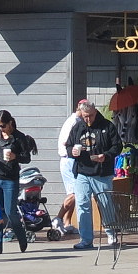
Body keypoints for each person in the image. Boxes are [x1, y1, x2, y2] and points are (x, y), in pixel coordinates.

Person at [68, 99, 120, 251]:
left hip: (102, 173)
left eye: (90, 115)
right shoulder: (77, 127)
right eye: (85, 116)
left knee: (105, 204)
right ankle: (86, 239)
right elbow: (69, 145)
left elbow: (117, 146)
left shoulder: (107, 126)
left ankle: (111, 233)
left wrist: (106, 156)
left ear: (95, 112)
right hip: (82, 171)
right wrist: (72, 151)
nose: (88, 119)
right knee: (82, 204)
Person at [0, 110, 31, 254]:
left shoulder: (19, 137)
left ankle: (21, 236)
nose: (1, 128)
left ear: (10, 123)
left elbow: (27, 158)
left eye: (3, 125)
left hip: (10, 179)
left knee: (10, 212)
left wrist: (15, 156)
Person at [52, 102, 84, 239]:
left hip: (71, 160)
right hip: (68, 159)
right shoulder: (73, 122)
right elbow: (67, 142)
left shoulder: (76, 121)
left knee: (73, 193)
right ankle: (58, 218)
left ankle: (67, 222)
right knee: (76, 192)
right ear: (81, 110)